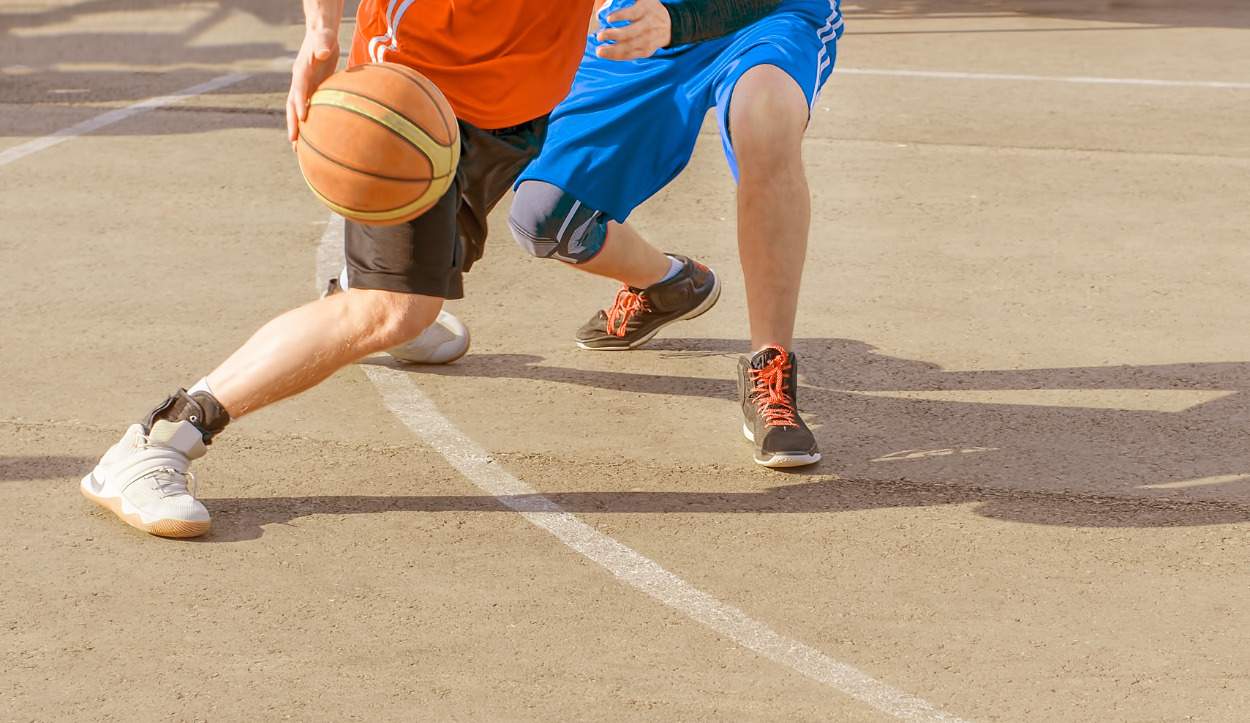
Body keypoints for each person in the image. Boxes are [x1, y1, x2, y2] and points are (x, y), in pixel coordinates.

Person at [79, 0, 594, 538]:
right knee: (394, 310)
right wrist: (321, 32)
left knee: (409, 294)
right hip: (411, 96)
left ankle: (367, 292)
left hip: (515, 99)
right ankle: (159, 442)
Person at [500, 0, 842, 468]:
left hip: (765, 17)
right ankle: (667, 285)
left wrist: (680, 20)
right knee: (545, 219)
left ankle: (771, 368)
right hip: (639, 16)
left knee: (765, 116)